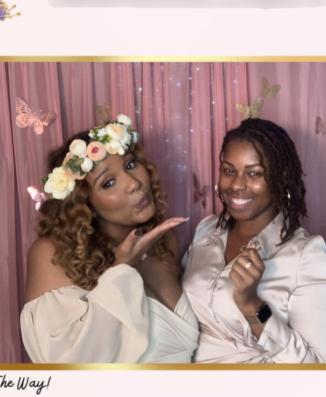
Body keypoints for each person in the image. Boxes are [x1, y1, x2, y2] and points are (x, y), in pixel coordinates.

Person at [20, 114, 198, 363]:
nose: (134, 183)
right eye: (109, 182)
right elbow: (68, 363)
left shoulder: (164, 242)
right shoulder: (53, 254)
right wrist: (121, 269)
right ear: (84, 204)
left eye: (130, 164)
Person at [182, 118, 326, 363]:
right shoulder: (206, 231)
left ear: (282, 177)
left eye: (254, 173)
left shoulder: (306, 256)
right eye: (229, 170)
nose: (236, 184)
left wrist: (253, 306)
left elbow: (317, 371)